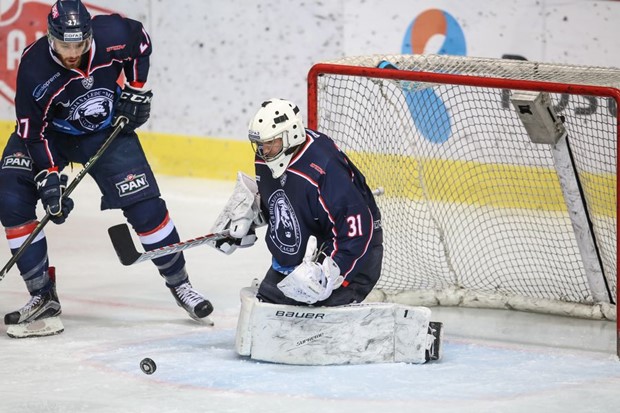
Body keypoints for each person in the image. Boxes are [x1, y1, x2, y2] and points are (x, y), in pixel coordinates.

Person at [0, 0, 212, 338]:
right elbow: (31, 131)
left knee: (146, 208)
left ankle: (181, 285)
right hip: (50, 137)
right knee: (11, 198)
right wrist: (49, 177)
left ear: (89, 36)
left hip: (105, 130)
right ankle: (41, 295)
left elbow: (141, 43)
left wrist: (136, 89)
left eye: (79, 44)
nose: (72, 53)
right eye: (64, 45)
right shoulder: (34, 67)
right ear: (50, 37)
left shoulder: (111, 33)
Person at [213, 98, 384, 306]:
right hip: (297, 257)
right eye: (259, 144)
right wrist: (248, 216)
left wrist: (328, 274)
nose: (263, 151)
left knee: (315, 317)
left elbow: (358, 230)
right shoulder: (267, 157)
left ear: (291, 135)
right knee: (271, 308)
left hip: (351, 257)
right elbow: (283, 201)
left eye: (269, 143)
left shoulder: (324, 165)